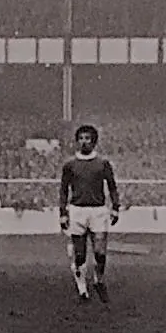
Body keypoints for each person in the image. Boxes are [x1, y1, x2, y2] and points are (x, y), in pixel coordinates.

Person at [60, 125, 120, 303]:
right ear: (77, 141)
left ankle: (99, 280)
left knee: (100, 252)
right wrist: (63, 213)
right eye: (81, 138)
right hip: (77, 211)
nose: (84, 141)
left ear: (94, 141)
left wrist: (115, 207)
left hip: (98, 211)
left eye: (88, 138)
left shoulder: (103, 163)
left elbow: (112, 186)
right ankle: (82, 288)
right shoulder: (70, 165)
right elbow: (63, 190)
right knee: (79, 254)